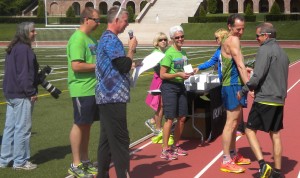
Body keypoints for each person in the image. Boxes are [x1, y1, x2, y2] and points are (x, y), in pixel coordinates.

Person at [238, 23, 289, 178]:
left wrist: (244, 90)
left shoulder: (264, 50)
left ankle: (262, 164)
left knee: (249, 130)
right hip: (279, 99)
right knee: (275, 134)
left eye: (257, 36)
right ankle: (278, 172)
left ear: (266, 36)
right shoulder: (283, 53)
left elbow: (257, 76)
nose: (256, 39)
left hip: (265, 99)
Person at [95, 6, 138, 178]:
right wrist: (131, 49)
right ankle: (122, 174)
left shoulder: (106, 38)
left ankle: (102, 175)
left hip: (107, 96)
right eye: (126, 21)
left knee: (106, 140)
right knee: (120, 139)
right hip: (112, 96)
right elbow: (124, 65)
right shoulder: (110, 39)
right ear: (116, 20)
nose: (127, 24)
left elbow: (118, 65)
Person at [0, 22, 38, 170]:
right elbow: (24, 74)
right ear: (24, 33)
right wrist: (31, 92)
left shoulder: (14, 47)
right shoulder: (24, 49)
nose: (35, 33)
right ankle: (20, 161)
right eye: (32, 31)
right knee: (22, 128)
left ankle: (4, 159)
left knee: (9, 128)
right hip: (21, 94)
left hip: (11, 93)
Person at [66, 7, 100, 177]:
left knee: (87, 125)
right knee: (79, 124)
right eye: (96, 20)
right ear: (87, 19)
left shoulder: (90, 38)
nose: (98, 23)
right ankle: (76, 163)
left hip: (93, 88)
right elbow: (76, 65)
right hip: (81, 89)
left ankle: (85, 161)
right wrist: (97, 66)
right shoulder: (78, 39)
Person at [219, 14, 251, 173]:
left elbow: (238, 65)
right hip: (232, 86)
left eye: (243, 29)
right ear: (230, 27)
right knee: (231, 124)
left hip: (234, 84)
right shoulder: (233, 40)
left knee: (235, 123)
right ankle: (226, 160)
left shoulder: (229, 40)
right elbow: (239, 65)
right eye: (238, 29)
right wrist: (249, 86)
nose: (241, 32)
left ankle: (233, 154)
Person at [159, 25, 192, 160]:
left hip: (181, 86)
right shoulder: (169, 53)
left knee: (183, 117)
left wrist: (191, 71)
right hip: (169, 87)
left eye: (182, 36)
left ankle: (175, 145)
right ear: (172, 39)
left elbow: (185, 69)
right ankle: (165, 149)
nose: (180, 39)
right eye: (177, 37)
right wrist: (177, 74)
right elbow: (162, 75)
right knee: (169, 118)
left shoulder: (183, 53)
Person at [145, 32, 168, 135]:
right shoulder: (156, 53)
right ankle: (158, 129)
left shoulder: (165, 52)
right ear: (156, 42)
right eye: (160, 40)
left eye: (165, 39)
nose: (163, 41)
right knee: (160, 105)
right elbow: (159, 70)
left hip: (163, 80)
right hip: (159, 81)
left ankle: (152, 121)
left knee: (163, 105)